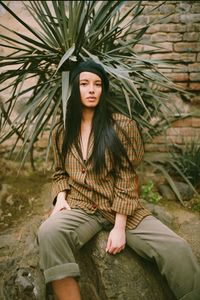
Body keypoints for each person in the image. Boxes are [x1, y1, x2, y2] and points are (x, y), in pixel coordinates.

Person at [38, 60, 200, 300]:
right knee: (49, 231)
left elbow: (126, 177)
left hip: (121, 210)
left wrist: (120, 227)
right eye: (84, 84)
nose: (91, 90)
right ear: (75, 88)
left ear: (104, 90)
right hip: (82, 208)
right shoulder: (63, 132)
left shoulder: (122, 126)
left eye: (97, 84)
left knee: (178, 250)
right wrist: (61, 198)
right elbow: (60, 171)